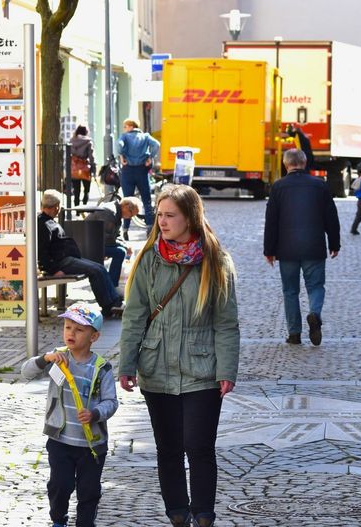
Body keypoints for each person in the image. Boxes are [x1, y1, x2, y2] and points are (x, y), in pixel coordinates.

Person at [118, 185, 239, 527]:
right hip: (157, 368)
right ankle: (177, 513)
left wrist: (227, 369)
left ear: (190, 217)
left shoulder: (216, 261)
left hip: (202, 368)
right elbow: (135, 315)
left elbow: (226, 323)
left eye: (170, 215)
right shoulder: (148, 258)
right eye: (159, 214)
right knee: (168, 449)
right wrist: (127, 363)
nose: (163, 221)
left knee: (199, 447)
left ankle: (203, 514)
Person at [21, 302, 118, 527]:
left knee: (89, 491)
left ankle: (85, 523)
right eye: (67, 327)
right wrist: (44, 359)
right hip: (60, 440)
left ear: (94, 337)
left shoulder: (101, 368)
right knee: (59, 485)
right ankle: (58, 519)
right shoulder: (57, 358)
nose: (70, 333)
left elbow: (111, 402)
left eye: (79, 329)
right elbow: (26, 373)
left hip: (91, 445)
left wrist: (95, 413)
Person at [264, 149, 340, 346]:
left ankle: (294, 334)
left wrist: (269, 250)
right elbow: (331, 217)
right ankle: (314, 313)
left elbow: (271, 221)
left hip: (286, 248)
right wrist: (334, 243)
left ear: (286, 163)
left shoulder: (278, 187)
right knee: (315, 286)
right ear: (304, 163)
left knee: (290, 291)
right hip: (314, 245)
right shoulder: (319, 185)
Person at [38, 189, 124, 315]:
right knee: (95, 271)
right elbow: (42, 250)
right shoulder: (43, 224)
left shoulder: (47, 221)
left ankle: (114, 302)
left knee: (99, 267)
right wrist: (54, 270)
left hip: (66, 258)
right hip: (62, 262)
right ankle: (108, 305)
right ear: (57, 207)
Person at [85, 197, 141, 287]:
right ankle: (111, 286)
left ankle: (110, 285)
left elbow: (116, 235)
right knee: (120, 252)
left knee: (121, 250)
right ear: (126, 206)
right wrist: (125, 247)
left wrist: (125, 245)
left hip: (95, 241)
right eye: (131, 215)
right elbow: (107, 239)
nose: (130, 218)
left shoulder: (116, 211)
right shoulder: (110, 213)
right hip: (90, 243)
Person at [117, 119, 160, 230]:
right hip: (142, 170)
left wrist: (121, 156)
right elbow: (156, 145)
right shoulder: (145, 137)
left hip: (128, 171)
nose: (125, 129)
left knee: (127, 201)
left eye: (125, 126)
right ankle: (149, 227)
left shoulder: (124, 137)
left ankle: (125, 229)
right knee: (147, 200)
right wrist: (150, 157)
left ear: (130, 126)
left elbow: (119, 146)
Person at [69, 125, 96, 207]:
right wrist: (93, 168)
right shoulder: (88, 142)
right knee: (86, 190)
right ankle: (84, 206)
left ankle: (77, 208)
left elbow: (69, 154)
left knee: (76, 190)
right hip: (85, 168)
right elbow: (91, 156)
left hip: (74, 167)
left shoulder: (72, 141)